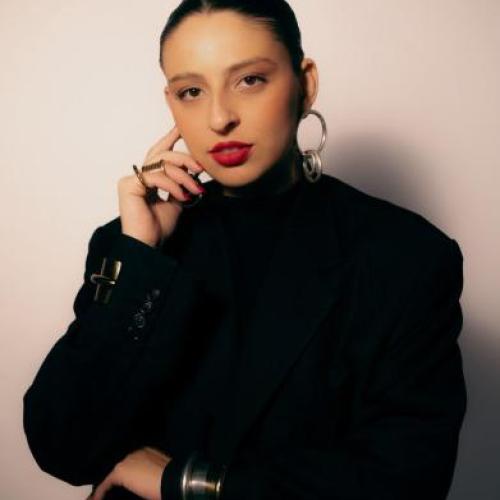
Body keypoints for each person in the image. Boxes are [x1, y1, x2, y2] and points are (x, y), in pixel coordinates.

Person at [22, 1, 467, 499]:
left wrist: (187, 481)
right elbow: (62, 446)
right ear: (171, 103)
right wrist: (142, 256)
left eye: (250, 80)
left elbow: (406, 481)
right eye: (192, 91)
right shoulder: (133, 245)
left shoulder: (405, 256)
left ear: (305, 84)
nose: (219, 118)